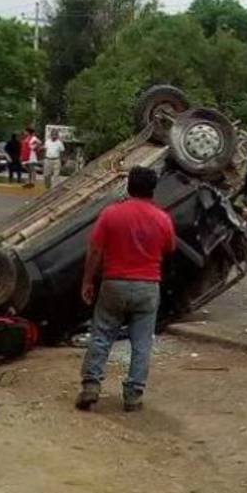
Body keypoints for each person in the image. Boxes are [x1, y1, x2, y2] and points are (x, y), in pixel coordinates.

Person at [77, 166, 175, 413]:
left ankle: (91, 386)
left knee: (101, 336)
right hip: (147, 287)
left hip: (114, 284)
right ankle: (133, 395)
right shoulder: (162, 218)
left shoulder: (111, 214)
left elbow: (95, 250)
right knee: (141, 344)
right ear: (153, 189)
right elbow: (169, 248)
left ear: (128, 186)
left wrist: (88, 281)